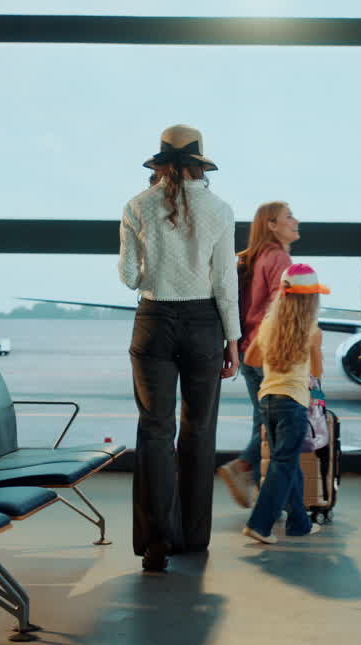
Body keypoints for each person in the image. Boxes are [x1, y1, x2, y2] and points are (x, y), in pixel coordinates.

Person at [119, 124, 241, 573]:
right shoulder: (219, 209)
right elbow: (226, 281)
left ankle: (155, 544)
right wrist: (233, 340)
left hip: (152, 322)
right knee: (199, 428)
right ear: (198, 164)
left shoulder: (137, 206)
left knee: (154, 430)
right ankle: (192, 535)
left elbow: (129, 277)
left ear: (160, 164)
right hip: (205, 323)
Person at [215, 202, 299, 509]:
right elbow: (280, 311)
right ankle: (246, 469)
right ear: (272, 226)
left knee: (261, 422)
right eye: (289, 216)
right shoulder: (278, 258)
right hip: (267, 353)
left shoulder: (253, 258)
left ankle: (262, 487)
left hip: (249, 351)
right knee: (279, 428)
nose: (296, 221)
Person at [240, 263, 328, 544]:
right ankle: (259, 524)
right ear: (311, 298)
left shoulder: (268, 325)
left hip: (267, 399)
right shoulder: (312, 331)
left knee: (289, 464)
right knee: (284, 463)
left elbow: (251, 360)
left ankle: (299, 523)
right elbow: (316, 371)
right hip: (293, 402)